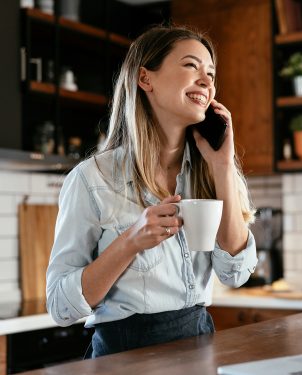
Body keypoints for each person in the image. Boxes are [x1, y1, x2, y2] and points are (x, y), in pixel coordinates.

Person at [46, 25, 258, 359]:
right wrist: (131, 241)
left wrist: (223, 165)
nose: (206, 81)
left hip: (199, 350)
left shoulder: (210, 169)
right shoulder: (91, 180)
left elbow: (236, 272)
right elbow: (61, 306)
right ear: (146, 79)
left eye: (210, 72)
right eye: (191, 66)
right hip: (123, 359)